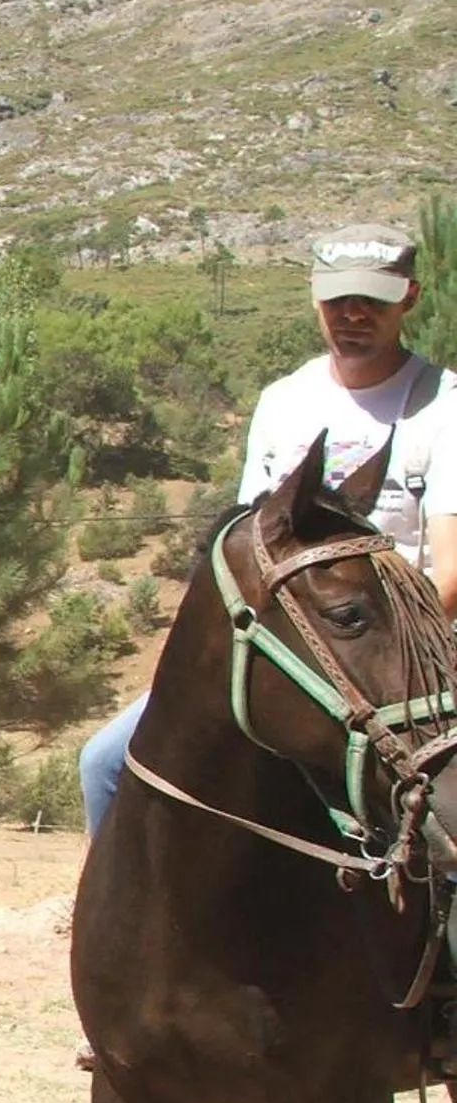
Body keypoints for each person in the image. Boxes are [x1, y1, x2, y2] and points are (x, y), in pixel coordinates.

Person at [80, 221, 457, 837]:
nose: (353, 315)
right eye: (339, 300)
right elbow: (248, 548)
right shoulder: (285, 400)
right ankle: (108, 930)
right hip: (285, 649)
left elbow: (451, 576)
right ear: (315, 299)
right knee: (104, 765)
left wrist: (355, 659)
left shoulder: (444, 406)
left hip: (405, 659)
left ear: (409, 298)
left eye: (373, 301)